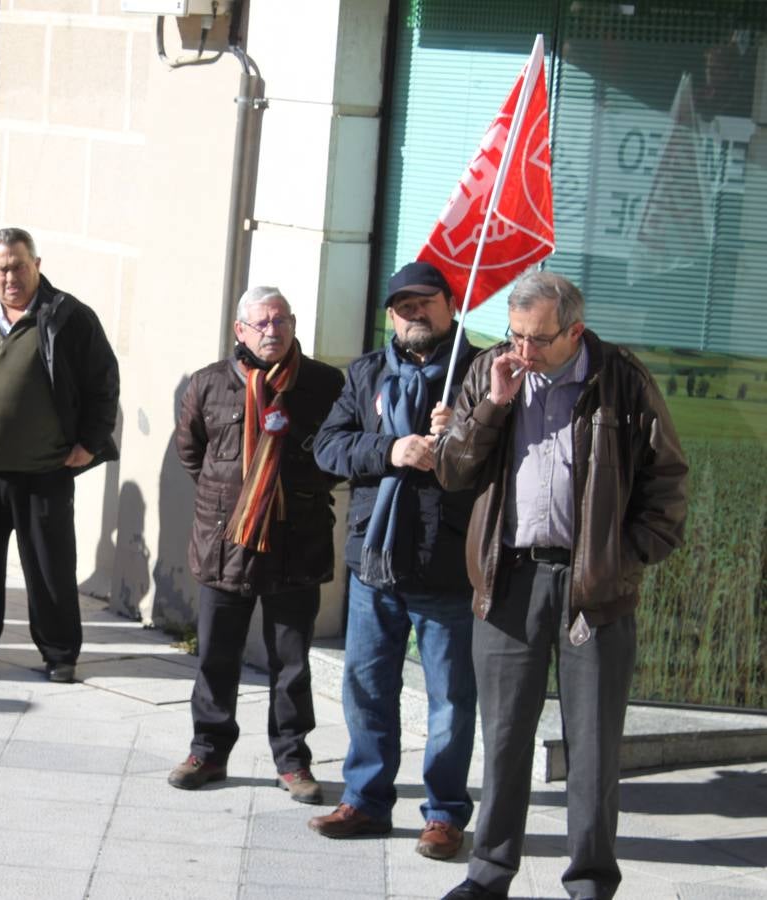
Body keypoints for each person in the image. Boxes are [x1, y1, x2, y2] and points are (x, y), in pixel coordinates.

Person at [433, 272, 688, 900]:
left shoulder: (622, 381)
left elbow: (668, 487)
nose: (523, 351)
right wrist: (492, 404)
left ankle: (592, 883)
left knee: (594, 750)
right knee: (504, 741)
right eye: (515, 335)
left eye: (538, 339)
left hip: (593, 589)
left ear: (574, 330)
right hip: (508, 580)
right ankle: (489, 875)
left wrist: (618, 560)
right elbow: (451, 470)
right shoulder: (492, 372)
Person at [308, 261, 480, 859]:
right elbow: (328, 448)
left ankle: (444, 814)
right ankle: (367, 800)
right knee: (365, 687)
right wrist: (393, 449)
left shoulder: (476, 373)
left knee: (451, 698)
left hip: (445, 561)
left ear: (449, 307)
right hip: (373, 562)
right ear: (390, 315)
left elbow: (504, 457)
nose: (414, 314)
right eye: (403, 305)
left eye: (425, 303)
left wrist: (459, 438)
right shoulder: (364, 374)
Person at [167, 286, 343, 804]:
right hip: (226, 543)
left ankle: (292, 760)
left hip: (297, 542)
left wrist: (291, 490)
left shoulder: (323, 385)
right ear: (240, 331)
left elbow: (337, 453)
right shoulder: (207, 385)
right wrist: (242, 502)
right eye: (261, 323)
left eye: (281, 320)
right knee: (216, 657)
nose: (273, 331)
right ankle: (208, 750)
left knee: (291, 663)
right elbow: (191, 453)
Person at [0, 227, 119, 683]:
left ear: (37, 265)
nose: (10, 276)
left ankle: (59, 654)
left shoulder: (68, 317)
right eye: (2, 268)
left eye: (19, 266)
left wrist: (89, 442)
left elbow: (103, 383)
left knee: (50, 569)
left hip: (43, 471)